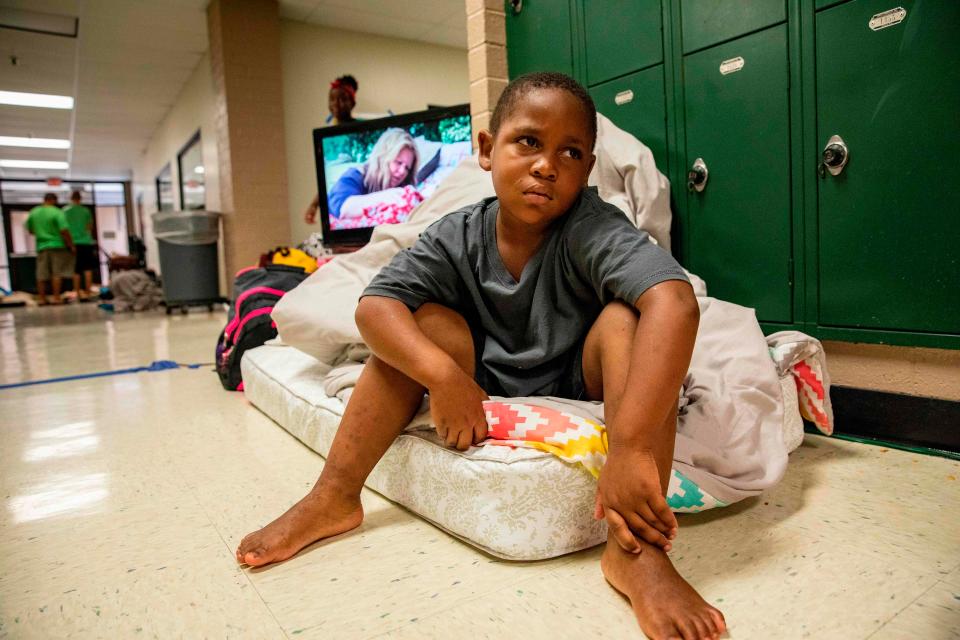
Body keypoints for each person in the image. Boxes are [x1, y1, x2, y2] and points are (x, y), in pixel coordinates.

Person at [237, 73, 725, 640]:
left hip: (580, 372)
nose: (548, 165)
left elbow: (677, 305)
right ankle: (333, 498)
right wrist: (445, 378)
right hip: (481, 373)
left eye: (571, 152)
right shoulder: (457, 234)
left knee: (627, 320)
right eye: (528, 142)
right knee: (426, 326)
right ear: (488, 150)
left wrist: (632, 448)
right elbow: (374, 308)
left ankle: (635, 553)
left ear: (588, 170)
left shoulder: (593, 227)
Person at [325, 128, 419, 221]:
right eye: (398, 162)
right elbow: (343, 208)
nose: (402, 171)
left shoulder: (404, 184)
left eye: (407, 168)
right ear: (383, 157)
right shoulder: (355, 175)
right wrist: (385, 197)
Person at [304, 74, 359, 223]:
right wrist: (314, 206)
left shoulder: (359, 132)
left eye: (342, 99)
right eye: (332, 99)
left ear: (352, 103)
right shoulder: (328, 136)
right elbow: (326, 178)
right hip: (335, 201)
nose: (337, 103)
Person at [25, 192, 75, 306]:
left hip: (41, 246)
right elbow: (64, 230)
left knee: (41, 274)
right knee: (56, 273)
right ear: (54, 201)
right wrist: (71, 245)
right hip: (57, 245)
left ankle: (42, 299)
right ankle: (56, 298)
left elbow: (31, 230)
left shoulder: (34, 212)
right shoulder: (57, 212)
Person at [63, 190, 96, 301]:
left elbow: (63, 228)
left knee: (76, 270)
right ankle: (87, 291)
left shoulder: (65, 211)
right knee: (87, 268)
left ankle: (77, 292)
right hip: (86, 242)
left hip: (73, 243)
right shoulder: (85, 211)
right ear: (80, 198)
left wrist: (69, 243)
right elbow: (89, 227)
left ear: (71, 198)